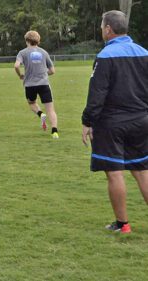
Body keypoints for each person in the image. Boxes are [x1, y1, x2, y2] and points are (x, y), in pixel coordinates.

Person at [82, 10, 148, 234]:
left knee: (114, 172)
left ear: (108, 29)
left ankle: (123, 224)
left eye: (102, 26)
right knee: (142, 171)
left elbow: (97, 94)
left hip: (112, 123)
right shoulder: (144, 52)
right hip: (141, 120)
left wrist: (87, 121)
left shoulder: (105, 56)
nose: (102, 30)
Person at [14, 31, 59, 139]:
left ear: (27, 41)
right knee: (51, 110)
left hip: (30, 85)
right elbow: (52, 71)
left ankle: (40, 114)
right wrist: (43, 73)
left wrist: (20, 75)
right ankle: (54, 132)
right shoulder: (44, 52)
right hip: (44, 84)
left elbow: (16, 66)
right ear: (38, 40)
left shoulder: (22, 53)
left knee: (32, 103)